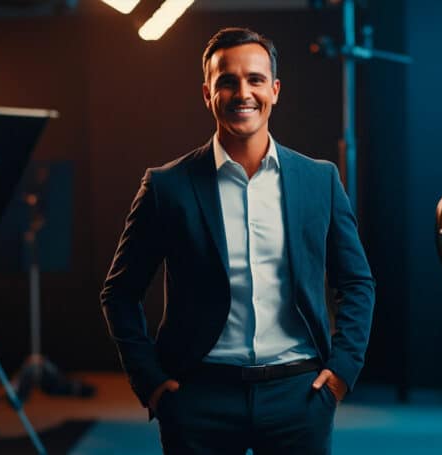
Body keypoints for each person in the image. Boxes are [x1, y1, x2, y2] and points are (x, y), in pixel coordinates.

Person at [100, 27, 375, 455]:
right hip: (199, 398)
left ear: (275, 90)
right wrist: (151, 384)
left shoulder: (319, 180)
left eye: (255, 79)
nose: (242, 92)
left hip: (299, 395)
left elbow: (356, 282)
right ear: (208, 93)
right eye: (227, 81)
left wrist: (341, 372)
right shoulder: (166, 186)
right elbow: (119, 293)